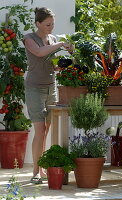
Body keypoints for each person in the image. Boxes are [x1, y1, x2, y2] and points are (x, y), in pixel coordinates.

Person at [23, 7, 72, 184]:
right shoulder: (29, 38)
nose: (51, 27)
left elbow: (52, 64)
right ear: (38, 23)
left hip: (52, 87)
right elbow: (39, 52)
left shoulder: (52, 39)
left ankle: (42, 168)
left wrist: (63, 64)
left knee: (46, 131)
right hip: (34, 88)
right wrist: (60, 44)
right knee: (40, 130)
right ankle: (35, 172)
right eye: (48, 24)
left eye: (53, 24)